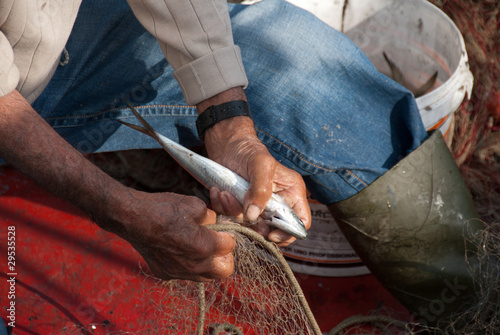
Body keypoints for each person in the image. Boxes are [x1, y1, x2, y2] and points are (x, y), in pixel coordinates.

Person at [0, 0, 481, 325]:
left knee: (300, 55)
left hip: (64, 27)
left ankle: (473, 310)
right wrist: (117, 207)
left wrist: (230, 122)